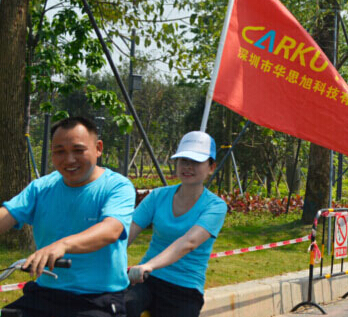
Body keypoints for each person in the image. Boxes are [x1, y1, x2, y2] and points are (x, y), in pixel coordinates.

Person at [0, 116, 136, 317]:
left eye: (78, 150)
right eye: (60, 152)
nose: (69, 159)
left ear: (98, 148)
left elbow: (111, 229)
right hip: (45, 294)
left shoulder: (117, 186)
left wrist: (62, 245)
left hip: (97, 299)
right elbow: (7, 214)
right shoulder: (41, 187)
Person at [125, 131, 227, 317]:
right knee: (120, 307)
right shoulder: (157, 196)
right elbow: (127, 233)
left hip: (185, 289)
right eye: (183, 160)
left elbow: (189, 242)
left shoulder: (215, 206)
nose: (187, 166)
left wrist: (149, 265)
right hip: (147, 281)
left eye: (196, 162)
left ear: (211, 167)